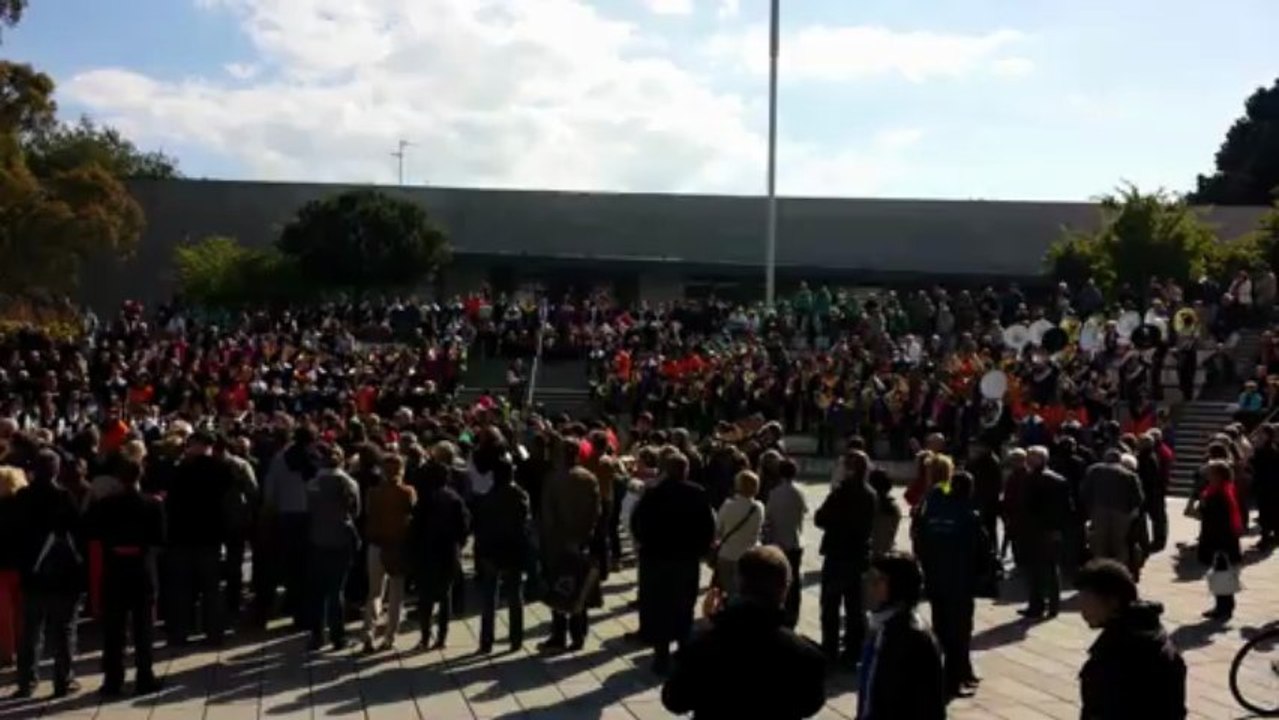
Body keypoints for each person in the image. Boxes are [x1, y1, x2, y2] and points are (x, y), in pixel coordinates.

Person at [660, 546, 826, 720]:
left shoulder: (705, 646)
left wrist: (706, 630)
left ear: (739, 583)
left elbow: (674, 700)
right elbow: (810, 705)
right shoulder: (806, 657)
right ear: (785, 589)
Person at [82, 459, 165, 697]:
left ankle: (113, 679)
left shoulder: (106, 504)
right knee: (144, 628)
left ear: (118, 478)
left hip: (115, 569)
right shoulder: (152, 504)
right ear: (141, 476)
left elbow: (91, 531)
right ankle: (144, 677)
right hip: (142, 569)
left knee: (113, 629)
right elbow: (160, 538)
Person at [631, 452, 715, 674]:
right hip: (685, 560)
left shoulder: (653, 494)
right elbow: (708, 529)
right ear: (685, 471)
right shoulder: (697, 494)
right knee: (683, 605)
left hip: (656, 559)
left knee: (659, 606)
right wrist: (701, 551)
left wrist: (644, 544)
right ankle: (683, 649)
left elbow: (636, 523)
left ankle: (661, 656)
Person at [13, 450, 84, 698]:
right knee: (64, 629)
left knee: (30, 630)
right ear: (56, 470)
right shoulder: (65, 497)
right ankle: (63, 681)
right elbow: (78, 534)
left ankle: (26, 681)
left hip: (32, 572)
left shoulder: (22, 496)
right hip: (62, 574)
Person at [1076, 559, 1186, 719]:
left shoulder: (1120, 655)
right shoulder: (1151, 631)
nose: (1081, 608)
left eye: (1087, 600)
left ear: (1113, 601)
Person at [856, 552, 947, 720]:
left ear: (899, 585)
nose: (872, 585)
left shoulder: (910, 636)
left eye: (881, 579)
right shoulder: (883, 625)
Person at [916, 467, 981, 698]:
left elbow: (919, 539)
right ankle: (953, 681)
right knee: (959, 632)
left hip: (935, 579)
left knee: (940, 629)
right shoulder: (969, 515)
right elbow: (979, 552)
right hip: (959, 582)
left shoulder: (933, 508)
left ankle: (943, 673)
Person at [164, 430, 232, 646]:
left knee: (182, 589)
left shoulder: (182, 470)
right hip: (210, 536)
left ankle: (180, 633)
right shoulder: (222, 470)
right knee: (211, 588)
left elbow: (171, 503)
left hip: (182, 536)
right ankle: (214, 634)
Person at [814, 449, 876, 667]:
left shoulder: (840, 493)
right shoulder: (870, 494)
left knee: (830, 605)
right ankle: (853, 651)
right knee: (854, 607)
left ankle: (830, 649)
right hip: (858, 554)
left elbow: (820, 518)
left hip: (837, 553)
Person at [410, 452, 470, 650]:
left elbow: (415, 527)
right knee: (445, 596)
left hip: (426, 551)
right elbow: (464, 526)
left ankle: (425, 636)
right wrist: (459, 543)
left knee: (425, 597)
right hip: (448, 551)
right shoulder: (454, 499)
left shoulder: (424, 499)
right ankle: (442, 638)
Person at [473, 452, 530, 654]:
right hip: (513, 549)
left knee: (489, 597)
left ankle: (486, 640)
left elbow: (479, 527)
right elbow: (525, 523)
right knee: (515, 595)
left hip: (491, 549)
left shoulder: (487, 498)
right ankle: (516, 638)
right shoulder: (520, 495)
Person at [539, 464, 601, 652]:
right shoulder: (589, 478)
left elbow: (547, 513)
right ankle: (579, 634)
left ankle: (559, 635)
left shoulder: (553, 478)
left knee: (559, 589)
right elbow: (596, 511)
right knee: (579, 587)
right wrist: (586, 534)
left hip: (558, 542)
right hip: (580, 541)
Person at [306, 443, 361, 651]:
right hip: (341, 539)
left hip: (317, 539)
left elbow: (308, 509)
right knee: (336, 589)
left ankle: (317, 635)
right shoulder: (349, 483)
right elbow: (355, 512)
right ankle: (338, 636)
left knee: (318, 590)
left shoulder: (313, 484)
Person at [362, 452, 416, 653]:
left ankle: (368, 631)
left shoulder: (372, 493)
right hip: (397, 545)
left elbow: (368, 513)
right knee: (396, 593)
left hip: (376, 544)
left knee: (374, 592)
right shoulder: (407, 492)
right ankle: (389, 637)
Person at [1019, 446, 1072, 620]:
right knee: (1052, 568)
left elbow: (1028, 507)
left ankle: (1037, 605)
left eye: (1031, 457)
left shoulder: (1032, 479)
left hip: (1036, 530)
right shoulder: (1060, 480)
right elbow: (1068, 508)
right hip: (1054, 530)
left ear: (1040, 459)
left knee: (1036, 570)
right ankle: (1054, 606)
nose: (1027, 460)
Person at [1195, 460, 1243, 621]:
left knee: (1222, 574)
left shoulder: (1221, 493)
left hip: (1222, 540)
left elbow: (1219, 519)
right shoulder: (1215, 490)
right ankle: (1222, 606)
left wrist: (1204, 506)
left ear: (1218, 475)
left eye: (1210, 472)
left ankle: (1224, 608)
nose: (1207, 475)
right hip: (1218, 539)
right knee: (1220, 574)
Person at [1079, 449, 1144, 567]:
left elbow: (1084, 492)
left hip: (1099, 510)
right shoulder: (1129, 475)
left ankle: (1099, 569)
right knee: (1120, 543)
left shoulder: (1093, 470)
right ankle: (1119, 570)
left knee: (1098, 542)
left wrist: (1090, 508)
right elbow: (1138, 498)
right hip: (1122, 513)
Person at [764, 457, 808, 628]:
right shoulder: (799, 491)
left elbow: (769, 517)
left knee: (777, 580)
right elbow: (804, 510)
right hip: (795, 540)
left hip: (778, 540)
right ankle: (793, 613)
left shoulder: (774, 493)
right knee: (794, 580)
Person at [713, 470, 764, 598]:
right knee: (746, 592)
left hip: (728, 554)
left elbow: (718, 530)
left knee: (728, 591)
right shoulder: (758, 508)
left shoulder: (728, 506)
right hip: (750, 554)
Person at [0, 466, 26, 671]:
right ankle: (23, 648)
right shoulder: (22, 507)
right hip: (21, 564)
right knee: (21, 609)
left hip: (2, 566)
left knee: (4, 613)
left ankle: (7, 652)